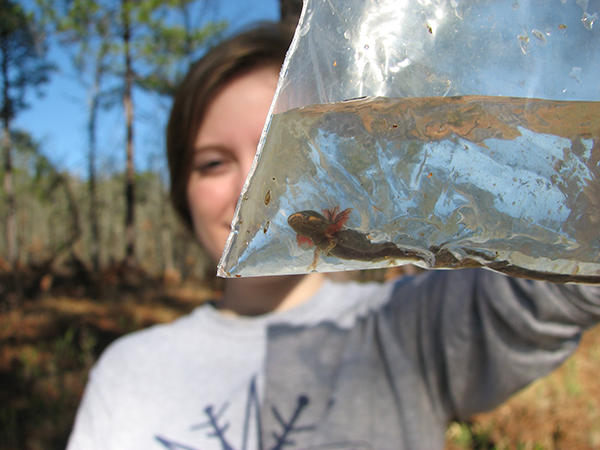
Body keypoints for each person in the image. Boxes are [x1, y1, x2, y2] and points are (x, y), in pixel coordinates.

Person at [67, 22, 600, 450]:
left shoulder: (407, 326)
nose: (253, 186)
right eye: (212, 162)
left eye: (277, 148)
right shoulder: (126, 373)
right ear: (181, 190)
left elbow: (557, 295)